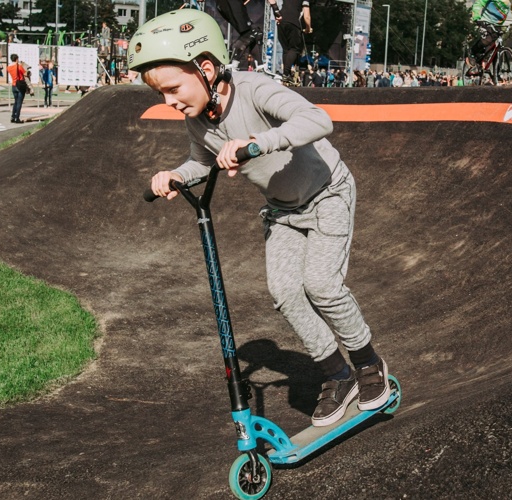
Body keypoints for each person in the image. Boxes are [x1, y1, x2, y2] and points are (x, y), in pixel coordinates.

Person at [132, 10, 391, 428]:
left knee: (322, 286)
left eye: (172, 88)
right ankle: (339, 377)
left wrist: (258, 143)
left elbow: (318, 119)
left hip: (326, 192)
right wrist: (177, 175)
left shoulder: (254, 90)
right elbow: (204, 162)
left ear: (206, 68)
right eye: (161, 94)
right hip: (282, 211)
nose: (169, 101)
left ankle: (366, 362)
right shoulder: (197, 120)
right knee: (286, 292)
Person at [469, 0, 512, 65]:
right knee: (487, 40)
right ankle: (473, 52)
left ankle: (492, 68)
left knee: (495, 46)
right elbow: (479, 2)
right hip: (485, 21)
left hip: (498, 24)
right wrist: (476, 17)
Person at [272, 0, 312, 78]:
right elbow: (306, 16)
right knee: (294, 48)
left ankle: (286, 73)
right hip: (293, 23)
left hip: (281, 21)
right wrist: (308, 28)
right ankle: (286, 73)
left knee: (286, 49)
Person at [7, 53, 27, 123]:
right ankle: (17, 118)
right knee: (19, 102)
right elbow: (25, 73)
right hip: (20, 85)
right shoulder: (19, 66)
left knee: (15, 101)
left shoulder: (8, 67)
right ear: (17, 59)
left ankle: (13, 116)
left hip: (14, 85)